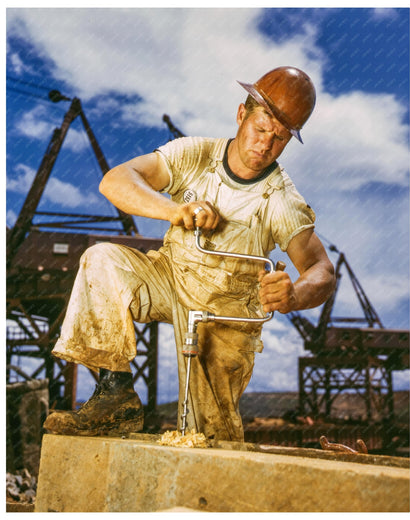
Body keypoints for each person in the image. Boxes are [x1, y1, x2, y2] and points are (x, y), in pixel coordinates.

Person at [43, 66, 335, 441]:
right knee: (102, 260)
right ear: (241, 114)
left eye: (278, 139)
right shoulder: (194, 155)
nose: (264, 145)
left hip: (225, 314)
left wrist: (295, 294)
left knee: (209, 436)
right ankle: (114, 397)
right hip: (170, 277)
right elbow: (114, 180)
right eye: (260, 129)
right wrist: (172, 210)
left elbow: (321, 269)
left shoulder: (280, 200)